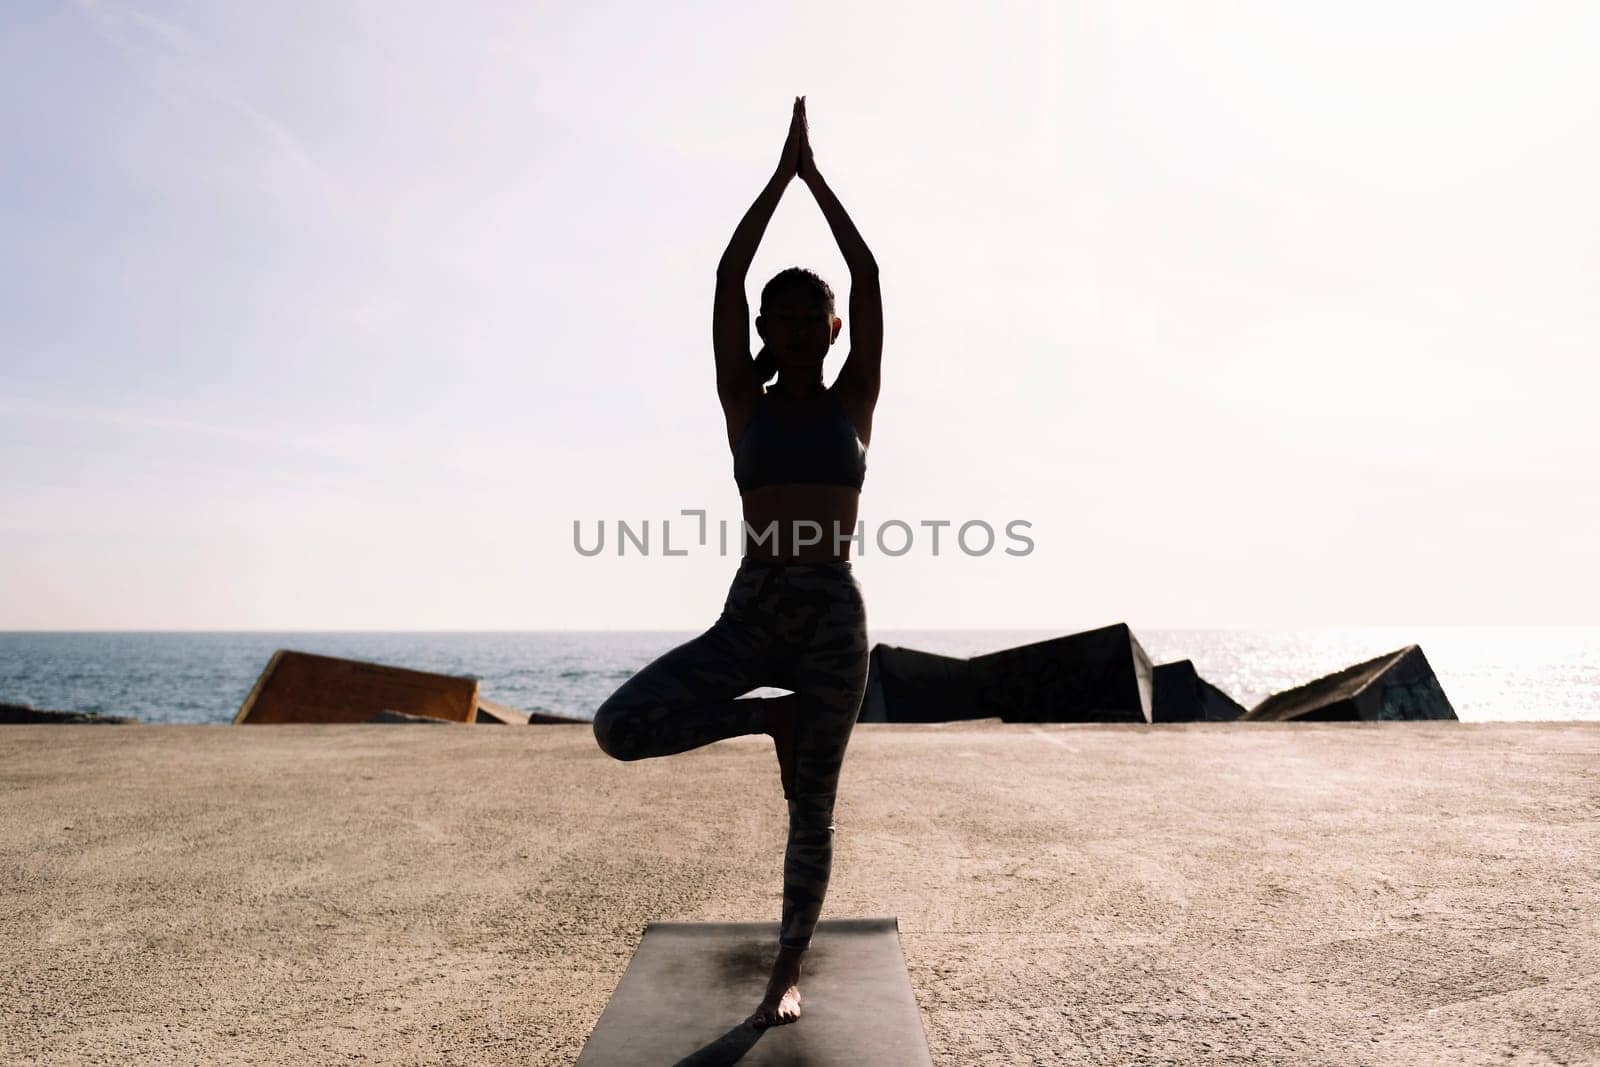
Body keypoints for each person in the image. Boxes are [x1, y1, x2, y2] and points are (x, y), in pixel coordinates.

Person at [589, 96, 881, 1028]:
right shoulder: (741, 402)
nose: (796, 324)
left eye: (812, 314)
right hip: (755, 610)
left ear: (833, 329)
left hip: (832, 611)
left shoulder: (854, 400)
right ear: (763, 329)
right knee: (619, 725)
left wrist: (817, 179)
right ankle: (768, 722)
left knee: (815, 810)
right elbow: (726, 270)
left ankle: (784, 971)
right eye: (780, 314)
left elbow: (869, 271)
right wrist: (776, 177)